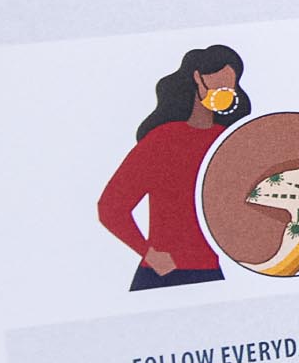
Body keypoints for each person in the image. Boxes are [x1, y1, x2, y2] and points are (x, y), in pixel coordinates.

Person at [98, 46, 248, 291]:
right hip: (162, 276)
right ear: (197, 78)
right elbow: (111, 207)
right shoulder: (161, 141)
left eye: (230, 88)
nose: (225, 93)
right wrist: (148, 252)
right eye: (218, 85)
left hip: (212, 273)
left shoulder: (227, 143)